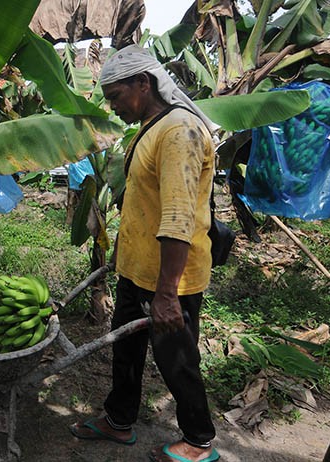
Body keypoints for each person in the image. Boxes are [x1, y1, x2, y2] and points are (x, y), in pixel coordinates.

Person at [69, 44, 220, 462]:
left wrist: (168, 293)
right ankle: (119, 421)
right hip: (138, 270)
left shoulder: (178, 132)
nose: (113, 106)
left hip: (171, 278)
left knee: (177, 359)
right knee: (127, 352)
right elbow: (140, 200)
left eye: (116, 96)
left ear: (143, 83)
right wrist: (121, 252)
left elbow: (177, 217)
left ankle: (199, 440)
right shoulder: (152, 126)